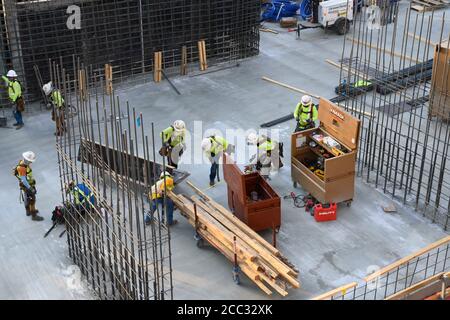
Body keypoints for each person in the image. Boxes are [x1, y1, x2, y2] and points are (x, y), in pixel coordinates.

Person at [13, 151, 44, 221]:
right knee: (32, 199)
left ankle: (28, 211)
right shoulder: (22, 168)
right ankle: (33, 215)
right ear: (27, 160)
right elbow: (24, 180)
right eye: (30, 161)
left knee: (26, 198)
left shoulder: (22, 164)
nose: (31, 162)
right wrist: (30, 188)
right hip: (27, 186)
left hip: (25, 186)